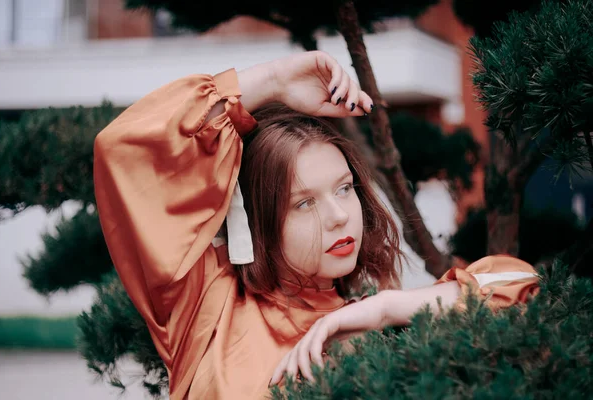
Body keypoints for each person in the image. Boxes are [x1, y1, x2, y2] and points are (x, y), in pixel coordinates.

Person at [93, 51, 539, 399]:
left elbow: (523, 285)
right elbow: (121, 151)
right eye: (304, 204)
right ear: (259, 221)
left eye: (344, 188)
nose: (339, 215)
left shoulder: (370, 320)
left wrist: (384, 309)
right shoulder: (207, 303)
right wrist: (272, 81)